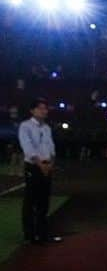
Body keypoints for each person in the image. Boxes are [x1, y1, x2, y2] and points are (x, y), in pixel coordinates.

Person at [18, 98, 61, 245]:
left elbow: (51, 147)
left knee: (44, 202)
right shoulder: (26, 126)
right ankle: (29, 236)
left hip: (47, 166)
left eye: (45, 108)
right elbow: (28, 147)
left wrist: (51, 163)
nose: (44, 111)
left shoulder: (46, 128)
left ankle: (42, 233)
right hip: (34, 166)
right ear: (32, 110)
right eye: (40, 108)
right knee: (31, 201)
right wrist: (40, 164)